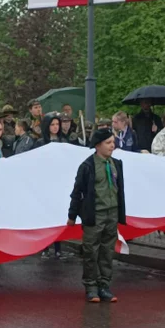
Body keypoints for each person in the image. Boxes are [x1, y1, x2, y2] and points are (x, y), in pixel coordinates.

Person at [67, 128, 126, 303]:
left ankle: (104, 285)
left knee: (107, 251)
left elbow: (119, 190)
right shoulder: (87, 166)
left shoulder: (117, 164)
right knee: (91, 251)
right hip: (95, 214)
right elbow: (77, 192)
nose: (112, 146)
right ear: (98, 145)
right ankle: (91, 286)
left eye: (113, 142)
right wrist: (72, 215)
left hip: (112, 213)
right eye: (108, 143)